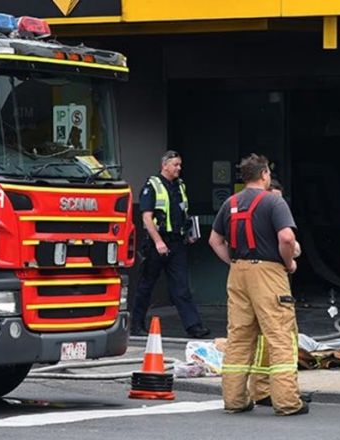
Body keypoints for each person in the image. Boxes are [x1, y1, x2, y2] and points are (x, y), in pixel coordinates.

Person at [208, 154, 308, 416]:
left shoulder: (230, 203)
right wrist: (288, 264)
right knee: (280, 336)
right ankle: (287, 402)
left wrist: (234, 263)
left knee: (239, 337)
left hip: (238, 274)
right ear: (264, 175)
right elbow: (286, 238)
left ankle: (235, 400)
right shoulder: (274, 202)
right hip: (269, 273)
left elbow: (214, 240)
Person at [130, 150, 210, 339]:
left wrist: (190, 233)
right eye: (175, 165)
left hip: (177, 243)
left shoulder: (180, 186)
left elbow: (184, 213)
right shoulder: (152, 185)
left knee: (181, 287)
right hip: (157, 244)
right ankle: (137, 325)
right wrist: (158, 242)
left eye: (180, 165)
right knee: (146, 285)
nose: (179, 168)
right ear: (164, 165)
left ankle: (194, 327)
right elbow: (147, 218)